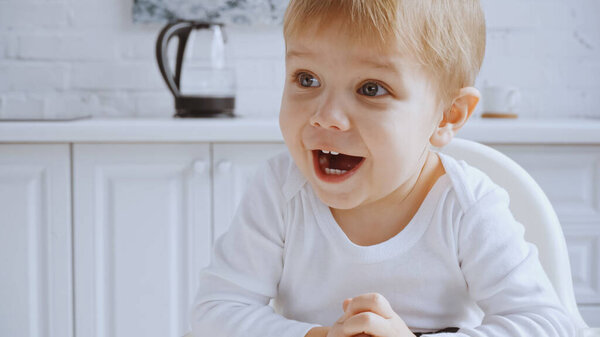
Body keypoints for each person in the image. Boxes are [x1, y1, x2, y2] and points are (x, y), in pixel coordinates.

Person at [189, 1, 576, 336]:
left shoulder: (466, 206)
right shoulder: (280, 189)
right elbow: (216, 311)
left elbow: (545, 324)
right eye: (307, 79)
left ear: (447, 116)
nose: (326, 117)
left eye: (371, 88)